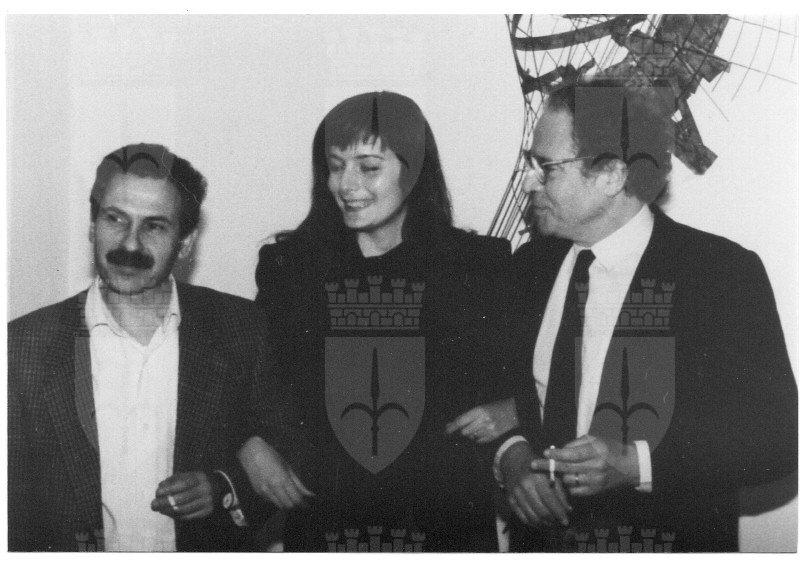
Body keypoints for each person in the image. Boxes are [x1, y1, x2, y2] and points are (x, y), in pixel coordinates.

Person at [495, 77, 798, 552]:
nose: (530, 181)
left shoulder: (719, 274)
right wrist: (512, 457)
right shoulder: (531, 266)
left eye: (545, 167)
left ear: (612, 175)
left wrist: (635, 464)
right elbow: (498, 390)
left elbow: (776, 439)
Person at [241, 91, 516, 551]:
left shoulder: (477, 264)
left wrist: (514, 409)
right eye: (335, 166)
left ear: (415, 170)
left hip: (445, 524)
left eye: (368, 167)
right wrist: (249, 445)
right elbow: (250, 380)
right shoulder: (290, 267)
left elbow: (532, 375)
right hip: (327, 519)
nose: (346, 184)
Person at [8, 143, 267, 551]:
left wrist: (224, 487)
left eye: (154, 226)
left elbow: (297, 456)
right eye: (115, 219)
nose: (129, 244)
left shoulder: (241, 328)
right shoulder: (23, 346)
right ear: (93, 225)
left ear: (185, 243)